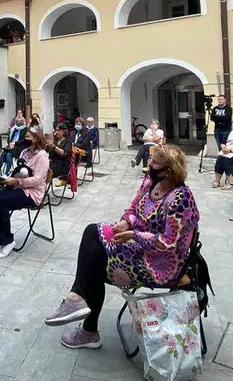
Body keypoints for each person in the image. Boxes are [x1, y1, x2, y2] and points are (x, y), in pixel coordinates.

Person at [44, 144, 199, 349]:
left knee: (95, 264)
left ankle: (87, 325)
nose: (149, 164)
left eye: (154, 162)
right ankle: (77, 299)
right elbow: (134, 208)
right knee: (92, 232)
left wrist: (134, 235)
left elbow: (168, 243)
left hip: (161, 265)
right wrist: (126, 221)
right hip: (138, 248)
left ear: (169, 170)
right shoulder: (151, 182)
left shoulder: (180, 197)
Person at [0, 129, 50, 258]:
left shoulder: (42, 155)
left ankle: (7, 241)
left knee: (1, 201)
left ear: (35, 139)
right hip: (16, 187)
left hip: (32, 193)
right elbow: (17, 171)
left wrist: (16, 181)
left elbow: (37, 180)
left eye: (28, 136)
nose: (25, 138)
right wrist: (6, 179)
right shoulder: (24, 152)